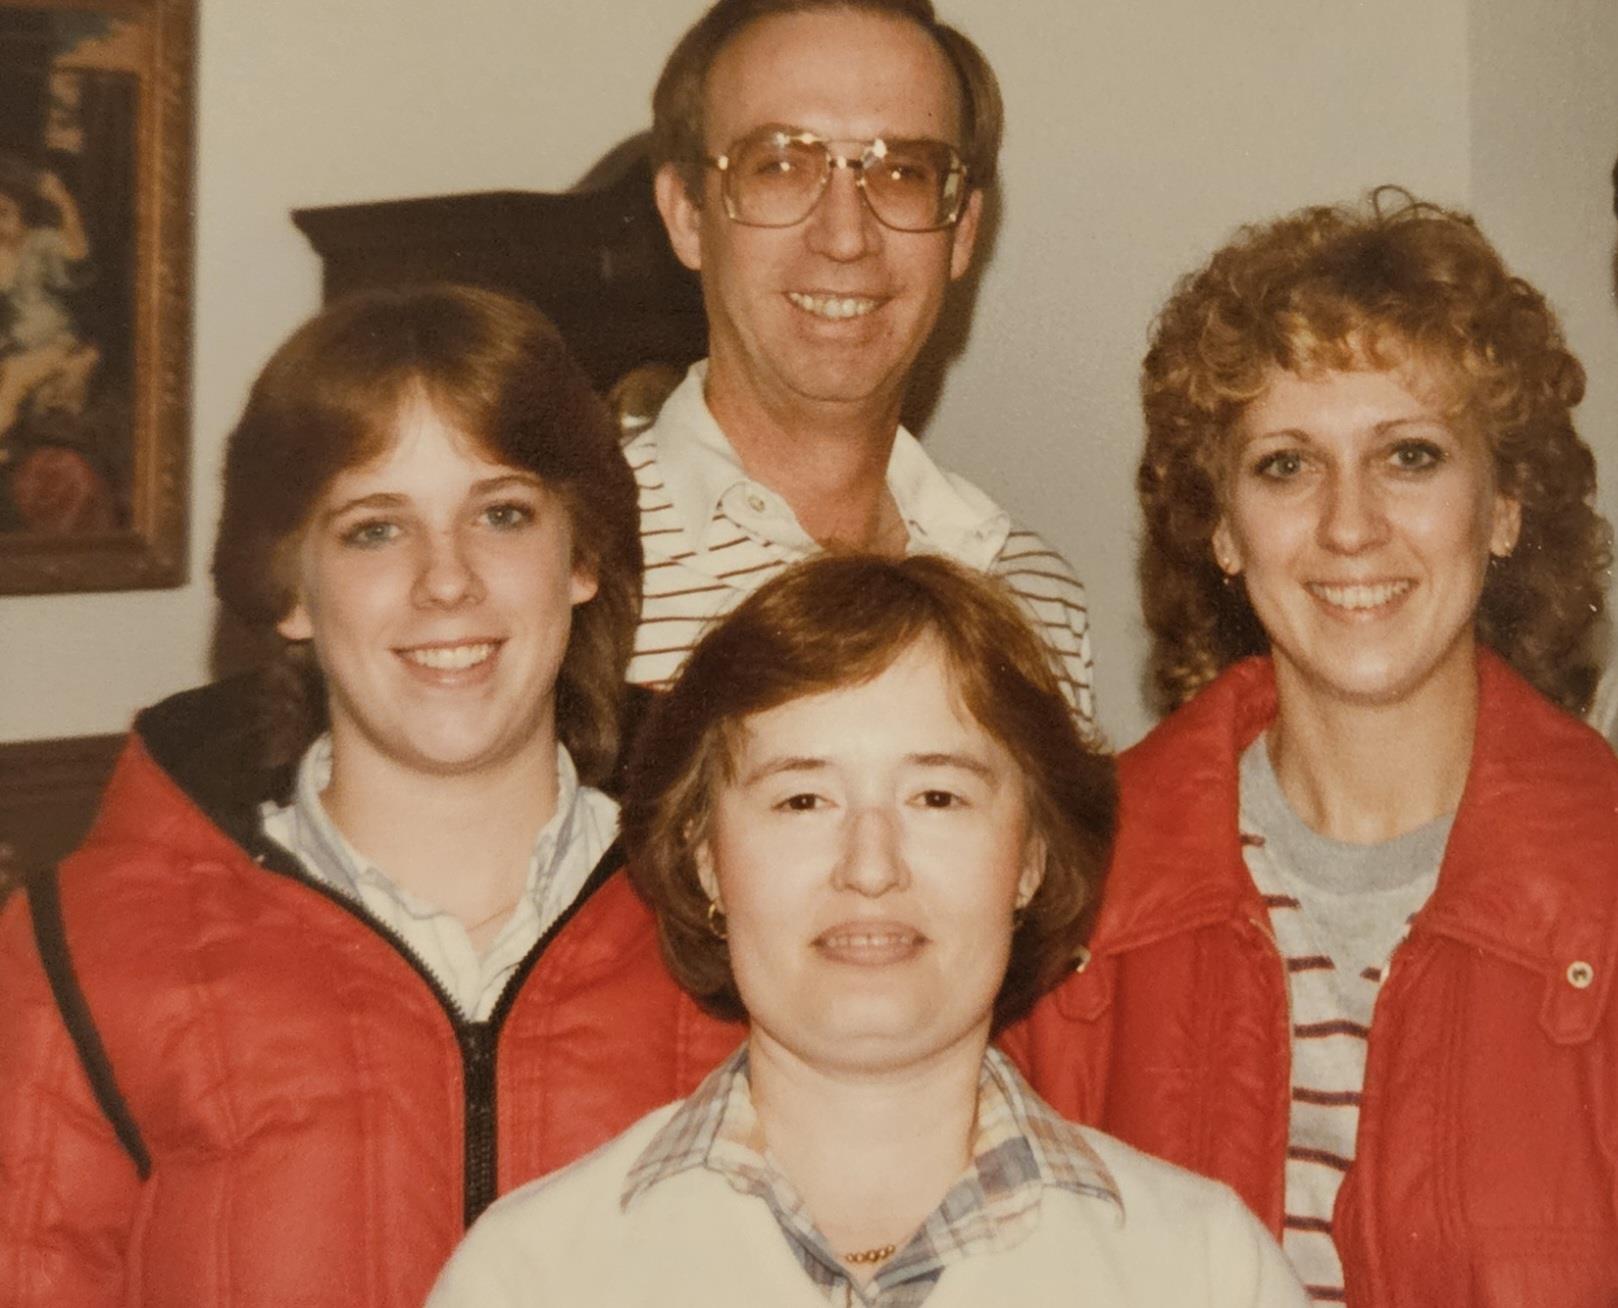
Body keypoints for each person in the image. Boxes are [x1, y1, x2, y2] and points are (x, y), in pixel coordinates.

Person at [0, 285, 741, 1307]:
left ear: (584, 559)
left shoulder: (754, 924)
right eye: (374, 529)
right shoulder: (75, 955)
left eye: (503, 513)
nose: (447, 580)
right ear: (289, 589)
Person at [1005, 192, 1618, 1305]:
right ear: (1223, 529)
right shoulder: (1064, 891)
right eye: (1285, 464)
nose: (1348, 526)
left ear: (1505, 509)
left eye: (1411, 457)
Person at [428, 553, 1308, 1307]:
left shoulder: (1205, 1275)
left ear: (1031, 859)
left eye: (937, 796)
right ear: (705, 859)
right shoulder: (532, 1278)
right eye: (802, 799)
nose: (871, 865)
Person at [630, 0, 1097, 725]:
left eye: (904, 172)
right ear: (688, 215)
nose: (846, 236)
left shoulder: (1033, 597)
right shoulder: (557, 572)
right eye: (781, 166)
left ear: (963, 230)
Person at [0, 155, 100, 440]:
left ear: (23, 211)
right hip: (16, 348)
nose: (0, 224)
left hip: (54, 341)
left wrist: (66, 206)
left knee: (14, 381)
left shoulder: (40, 242)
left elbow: (78, 264)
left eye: (5, 213)